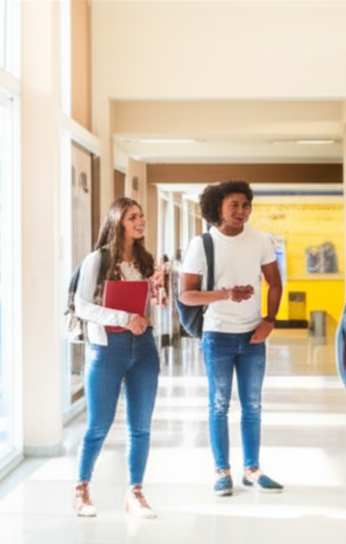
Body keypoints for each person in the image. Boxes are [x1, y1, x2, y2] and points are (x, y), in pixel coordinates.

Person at [177, 180, 284, 495]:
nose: (241, 211)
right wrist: (225, 294)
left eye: (246, 205)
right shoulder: (202, 244)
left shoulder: (260, 240)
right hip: (217, 335)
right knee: (219, 404)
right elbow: (186, 295)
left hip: (252, 337)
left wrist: (269, 321)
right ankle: (222, 470)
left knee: (253, 405)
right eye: (234, 205)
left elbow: (275, 284)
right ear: (218, 208)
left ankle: (252, 469)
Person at [73, 197, 167, 519]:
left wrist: (156, 302)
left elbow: (147, 305)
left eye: (141, 216)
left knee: (140, 427)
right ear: (118, 222)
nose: (140, 221)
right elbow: (82, 306)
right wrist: (126, 318)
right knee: (98, 426)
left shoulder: (145, 261)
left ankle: (135, 494)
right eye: (132, 217)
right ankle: (81, 490)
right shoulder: (97, 260)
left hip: (143, 348)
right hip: (106, 350)